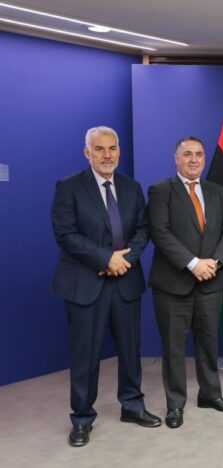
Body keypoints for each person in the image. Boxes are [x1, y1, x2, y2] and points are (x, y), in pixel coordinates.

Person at [51, 126, 161, 447]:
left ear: (119, 152)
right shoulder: (69, 187)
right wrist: (105, 259)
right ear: (87, 153)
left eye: (112, 148)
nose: (107, 155)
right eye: (99, 149)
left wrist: (123, 260)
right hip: (87, 283)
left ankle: (132, 405)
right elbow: (65, 234)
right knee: (85, 355)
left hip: (126, 280)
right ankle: (82, 418)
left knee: (130, 349)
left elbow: (143, 230)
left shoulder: (131, 187)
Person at [147, 136, 223, 429]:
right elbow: (159, 232)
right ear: (176, 159)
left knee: (208, 343)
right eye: (187, 154)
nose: (194, 159)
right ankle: (175, 404)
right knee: (174, 348)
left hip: (211, 281)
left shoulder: (217, 191)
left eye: (199, 154)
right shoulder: (161, 190)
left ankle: (210, 395)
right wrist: (193, 263)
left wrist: (216, 262)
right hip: (173, 285)